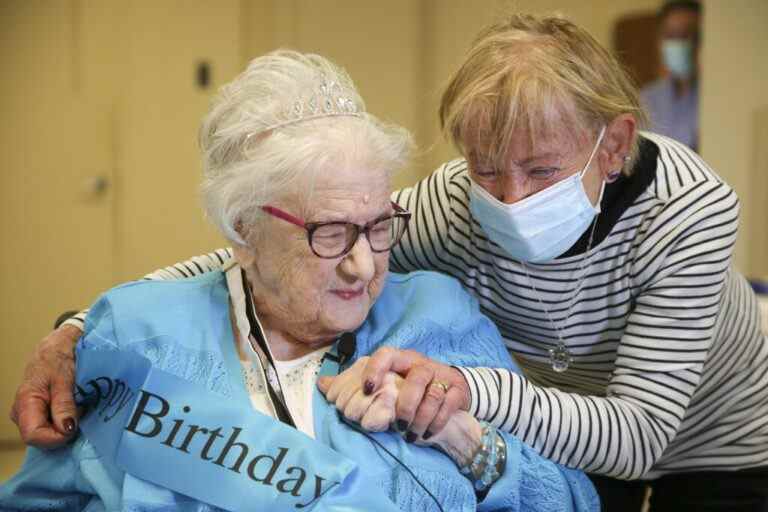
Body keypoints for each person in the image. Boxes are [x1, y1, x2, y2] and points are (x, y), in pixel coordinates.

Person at [11, 12, 768, 512]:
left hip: (712, 438)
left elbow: (631, 441)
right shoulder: (444, 207)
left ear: (610, 144)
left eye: (539, 171)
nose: (507, 197)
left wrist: (462, 406)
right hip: (561, 419)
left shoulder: (687, 213)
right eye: (485, 168)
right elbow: (273, 244)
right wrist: (84, 325)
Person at [640, 1, 701, 150]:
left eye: (688, 35)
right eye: (672, 35)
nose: (680, 42)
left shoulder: (713, 100)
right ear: (659, 42)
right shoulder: (646, 99)